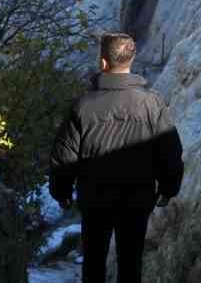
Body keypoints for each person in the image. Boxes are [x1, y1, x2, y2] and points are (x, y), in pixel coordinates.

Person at [50, 32, 185, 283]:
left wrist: (62, 192)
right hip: (137, 198)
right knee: (131, 262)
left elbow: (63, 155)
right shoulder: (152, 104)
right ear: (131, 60)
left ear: (102, 63)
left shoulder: (82, 105)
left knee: (93, 262)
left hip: (94, 198)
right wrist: (169, 188)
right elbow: (170, 151)